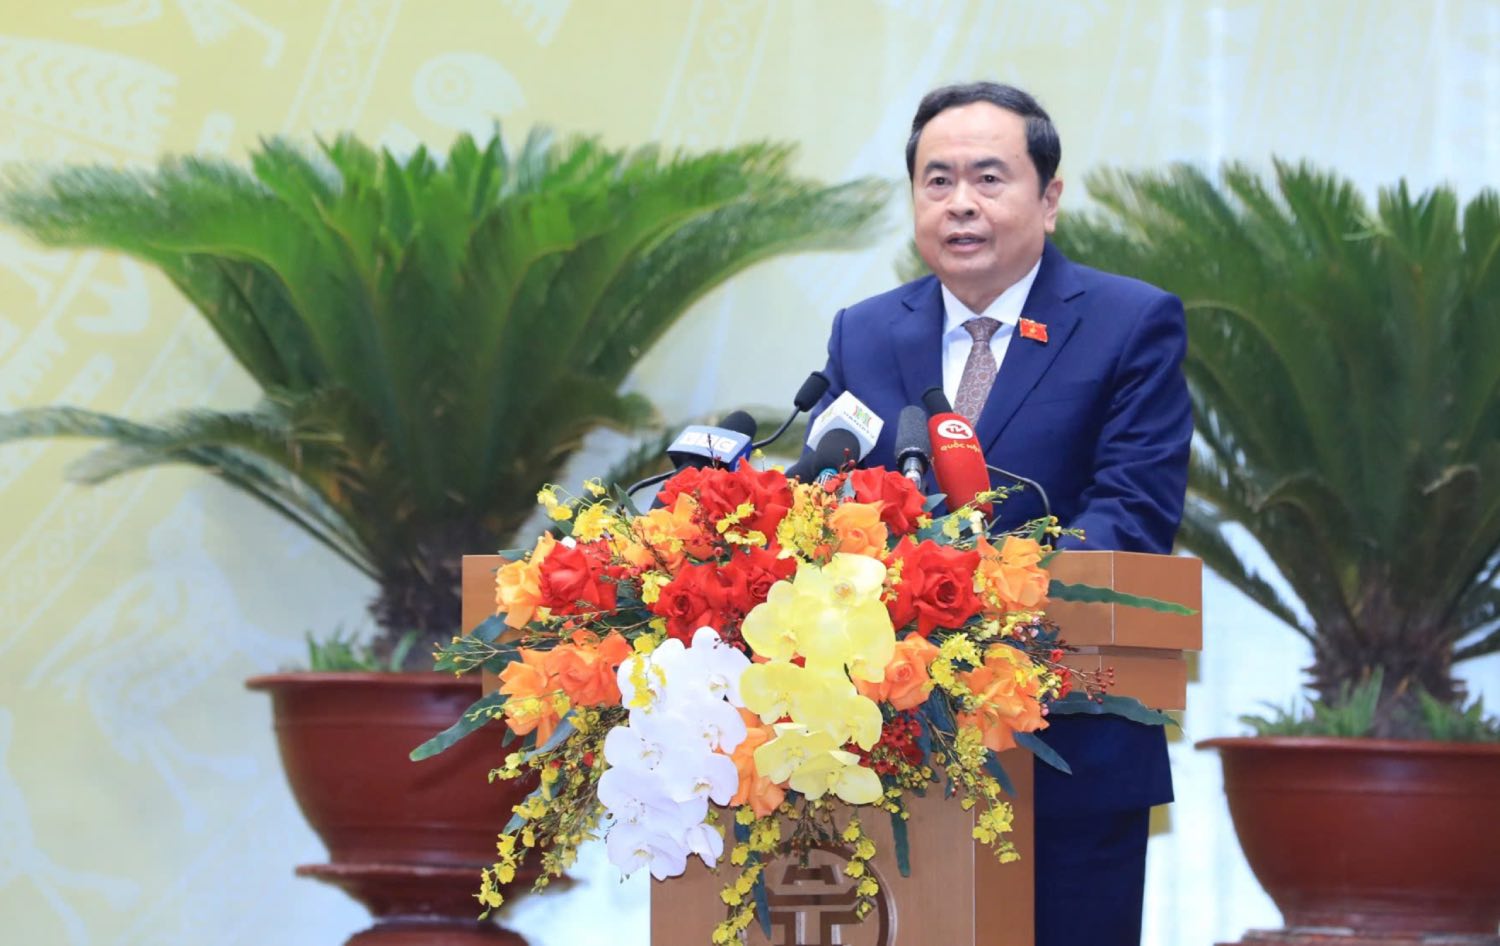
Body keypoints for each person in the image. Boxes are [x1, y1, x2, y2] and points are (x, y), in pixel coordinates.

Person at [807, 81, 1192, 946]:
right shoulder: (864, 334)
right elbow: (829, 503)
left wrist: (970, 597)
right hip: (886, 747)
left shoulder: (1130, 322)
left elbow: (1133, 512)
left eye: (989, 177)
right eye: (937, 181)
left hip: (1069, 746)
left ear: (1048, 198)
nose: (961, 203)